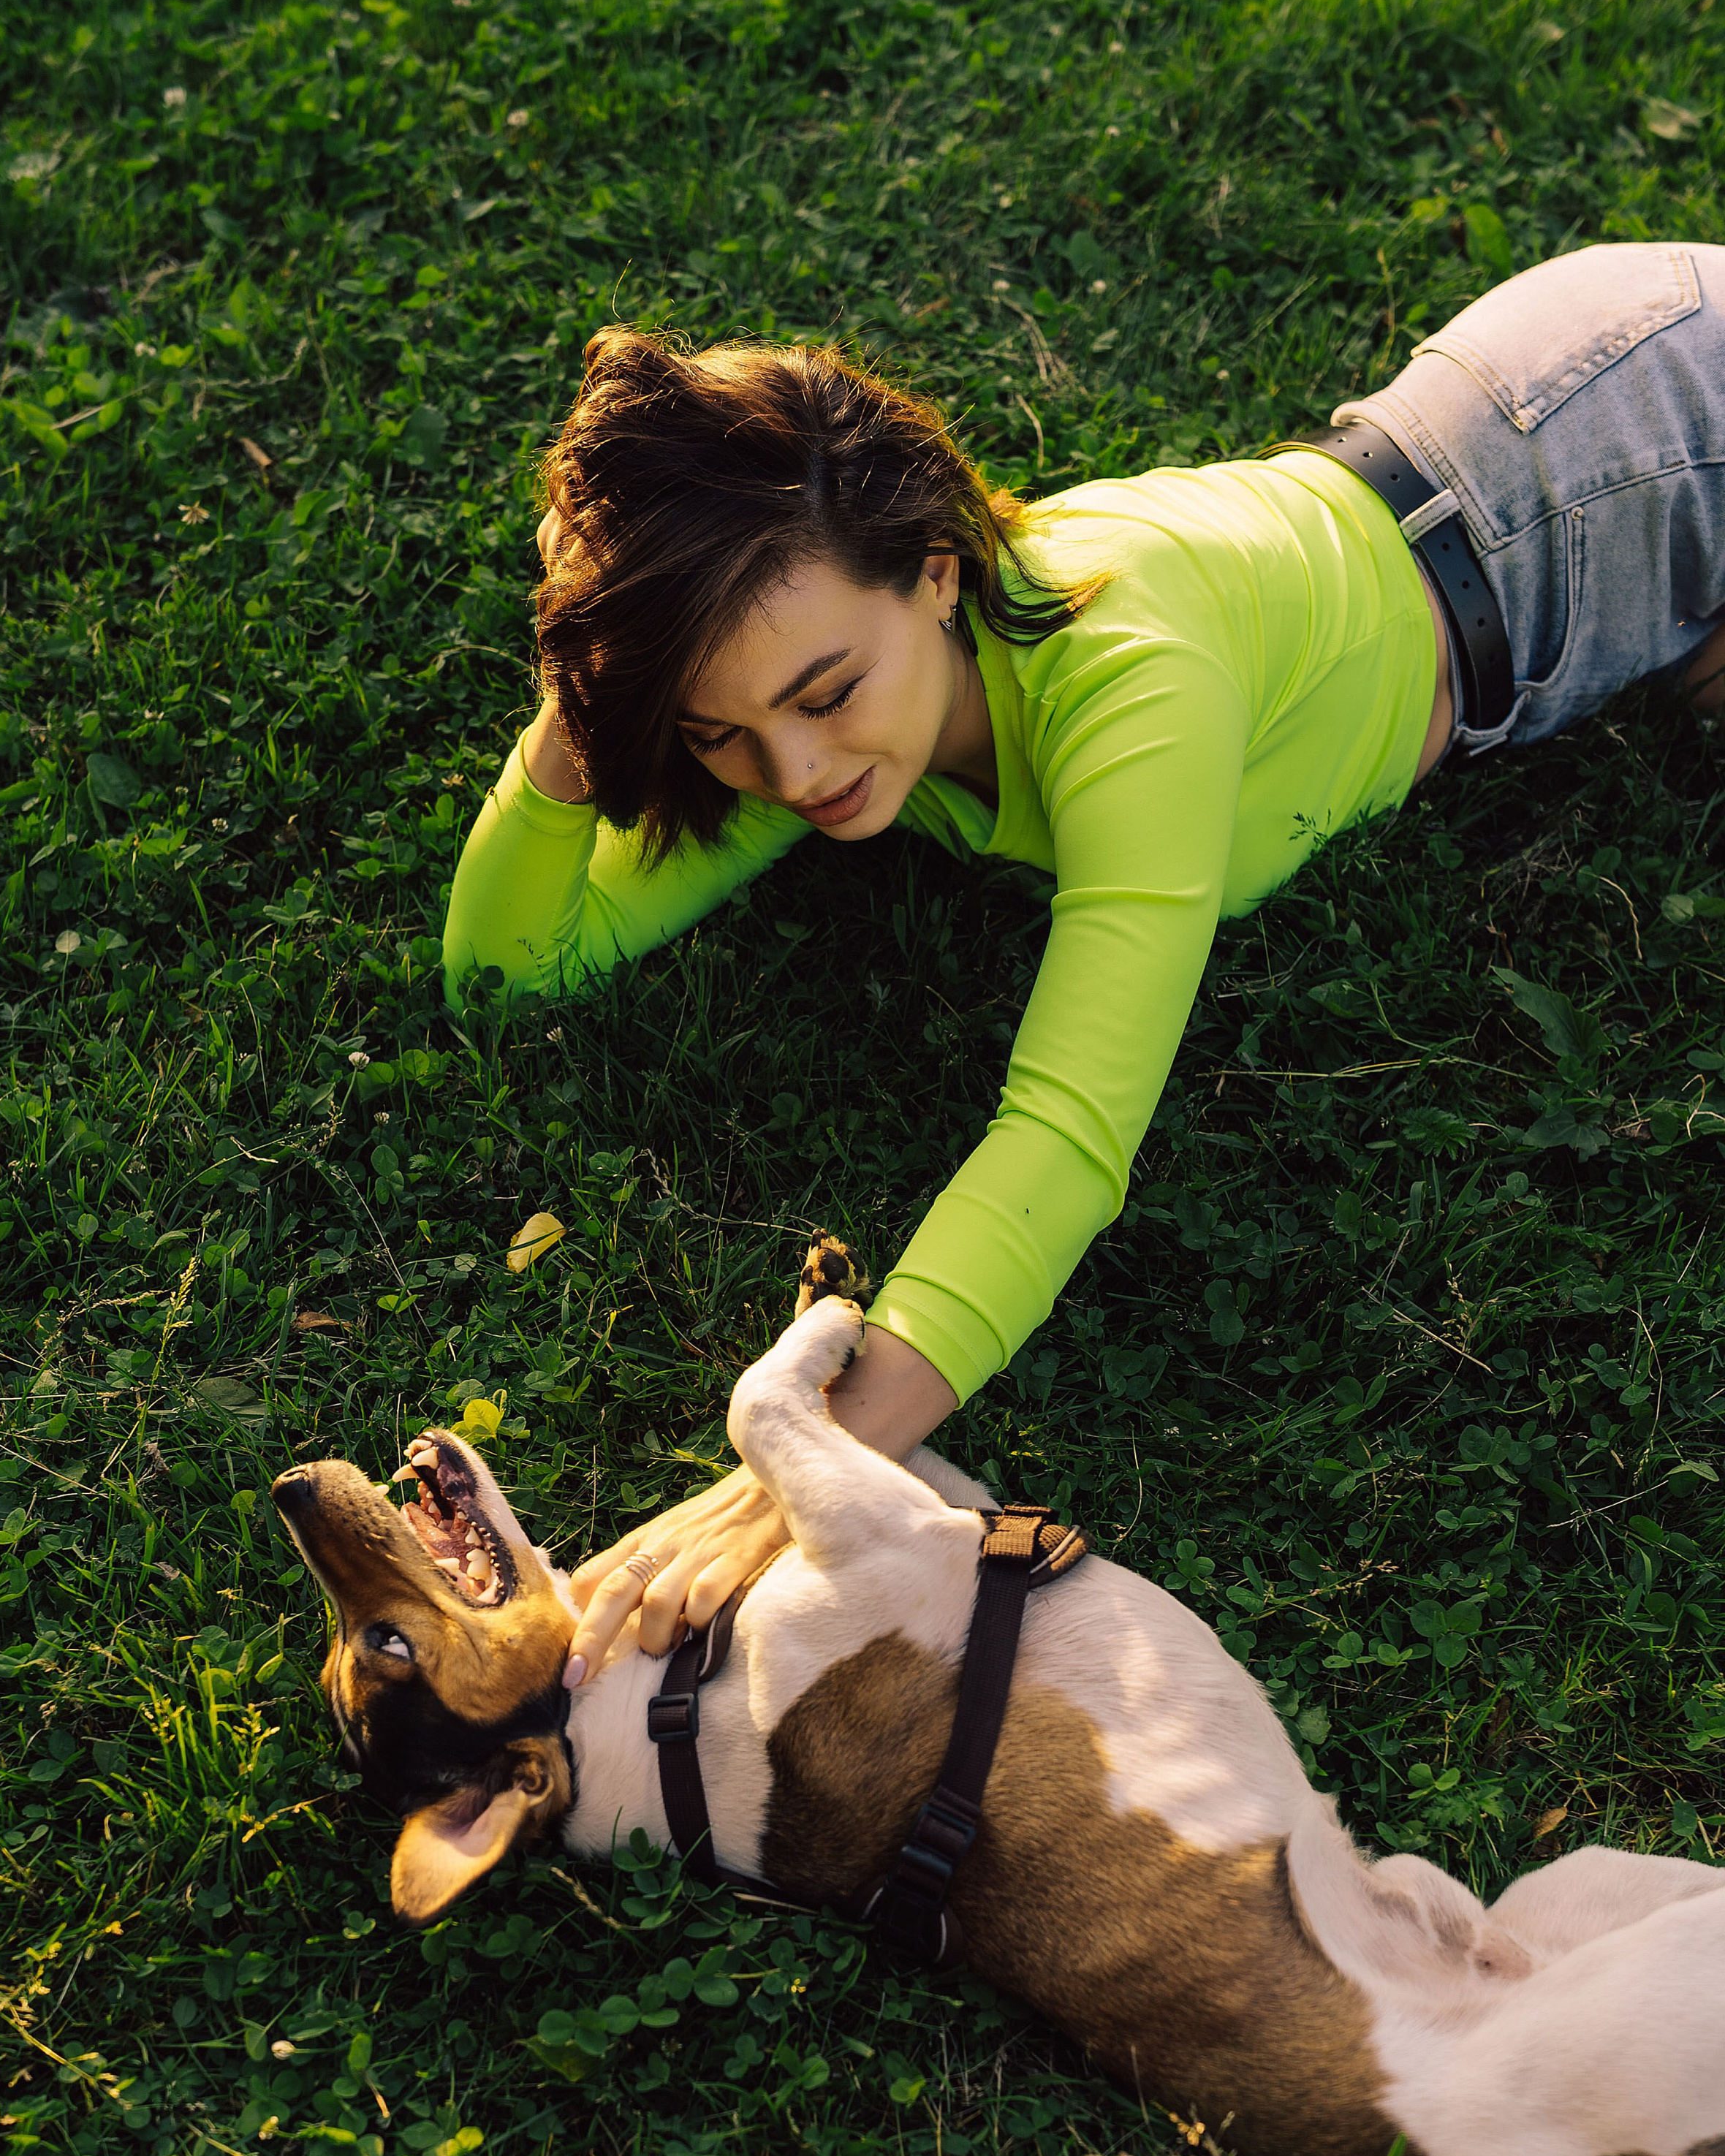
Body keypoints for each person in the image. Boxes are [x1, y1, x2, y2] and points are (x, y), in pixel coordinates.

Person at [442, 240, 1725, 1690]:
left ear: (933, 572)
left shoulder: (1129, 678)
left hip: (1631, 444)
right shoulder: (823, 703)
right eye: (717, 731)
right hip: (1507, 496)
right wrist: (585, 700)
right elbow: (511, 970)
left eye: (821, 697)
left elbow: (1063, 1137)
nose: (788, 772)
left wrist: (791, 1470)